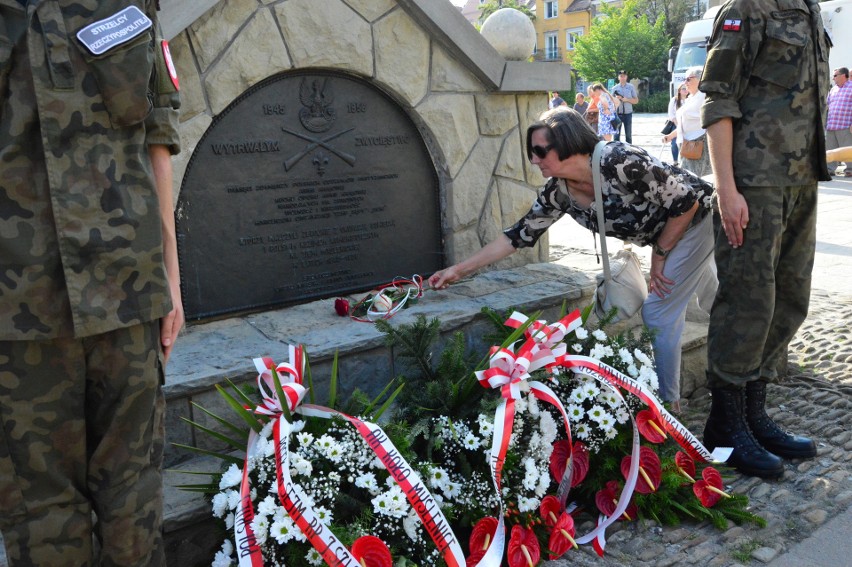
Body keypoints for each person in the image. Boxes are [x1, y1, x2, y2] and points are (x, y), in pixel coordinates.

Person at [0, 2, 183, 566]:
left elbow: (156, 131)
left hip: (128, 290)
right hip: (17, 309)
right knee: (42, 520)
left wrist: (171, 278)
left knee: (134, 509)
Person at [428, 108, 717, 413]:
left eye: (540, 151)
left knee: (659, 311)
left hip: (697, 221)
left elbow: (687, 201)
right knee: (716, 298)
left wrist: (659, 255)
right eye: (531, 152)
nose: (535, 160)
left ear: (566, 143)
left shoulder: (619, 161)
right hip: (668, 234)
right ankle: (741, 360)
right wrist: (459, 270)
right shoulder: (559, 191)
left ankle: (667, 407)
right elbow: (518, 235)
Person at [700, 0, 828, 478]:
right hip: (753, 183)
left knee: (789, 298)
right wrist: (726, 188)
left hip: (801, 179)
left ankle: (754, 415)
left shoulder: (808, 10)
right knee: (748, 301)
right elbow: (717, 99)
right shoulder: (745, 8)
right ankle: (724, 424)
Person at [664, 67, 710, 177]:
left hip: (698, 144)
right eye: (685, 79)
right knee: (687, 177)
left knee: (691, 179)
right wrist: (670, 136)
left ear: (699, 79)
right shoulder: (691, 98)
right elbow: (684, 123)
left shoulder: (704, 96)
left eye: (688, 79)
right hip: (687, 144)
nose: (685, 83)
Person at [825, 67, 852, 176]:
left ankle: (850, 169)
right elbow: (828, 105)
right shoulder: (833, 89)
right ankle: (829, 169)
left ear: (843, 76)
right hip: (832, 125)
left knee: (846, 148)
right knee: (831, 149)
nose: (833, 78)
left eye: (836, 75)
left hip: (845, 125)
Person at [612, 70, 639, 143]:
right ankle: (616, 152)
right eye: (621, 76)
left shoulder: (631, 87)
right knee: (616, 136)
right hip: (618, 114)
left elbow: (636, 101)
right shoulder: (614, 88)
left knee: (628, 136)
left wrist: (627, 100)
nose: (622, 78)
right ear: (618, 77)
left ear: (626, 77)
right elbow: (611, 102)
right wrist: (616, 99)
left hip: (628, 114)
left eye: (624, 76)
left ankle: (629, 152)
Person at [665, 82, 689, 163]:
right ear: (679, 91)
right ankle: (675, 161)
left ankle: (685, 160)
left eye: (686, 88)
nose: (685, 90)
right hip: (676, 124)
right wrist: (677, 124)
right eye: (683, 89)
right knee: (675, 143)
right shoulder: (674, 100)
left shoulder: (690, 99)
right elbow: (671, 114)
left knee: (686, 143)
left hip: (687, 124)